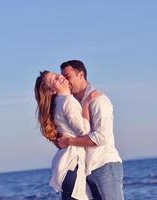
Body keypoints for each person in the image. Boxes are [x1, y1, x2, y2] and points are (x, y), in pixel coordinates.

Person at [56, 60, 124, 200]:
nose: (65, 81)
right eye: (62, 77)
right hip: (85, 171)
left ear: (81, 75)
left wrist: (68, 141)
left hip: (104, 166)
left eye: (68, 77)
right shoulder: (72, 104)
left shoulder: (99, 101)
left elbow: (100, 137)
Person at [34, 70, 99, 200]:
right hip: (72, 166)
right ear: (52, 91)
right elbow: (84, 130)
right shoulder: (67, 101)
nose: (59, 77)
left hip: (65, 167)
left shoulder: (58, 104)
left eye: (55, 75)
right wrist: (86, 104)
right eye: (54, 80)